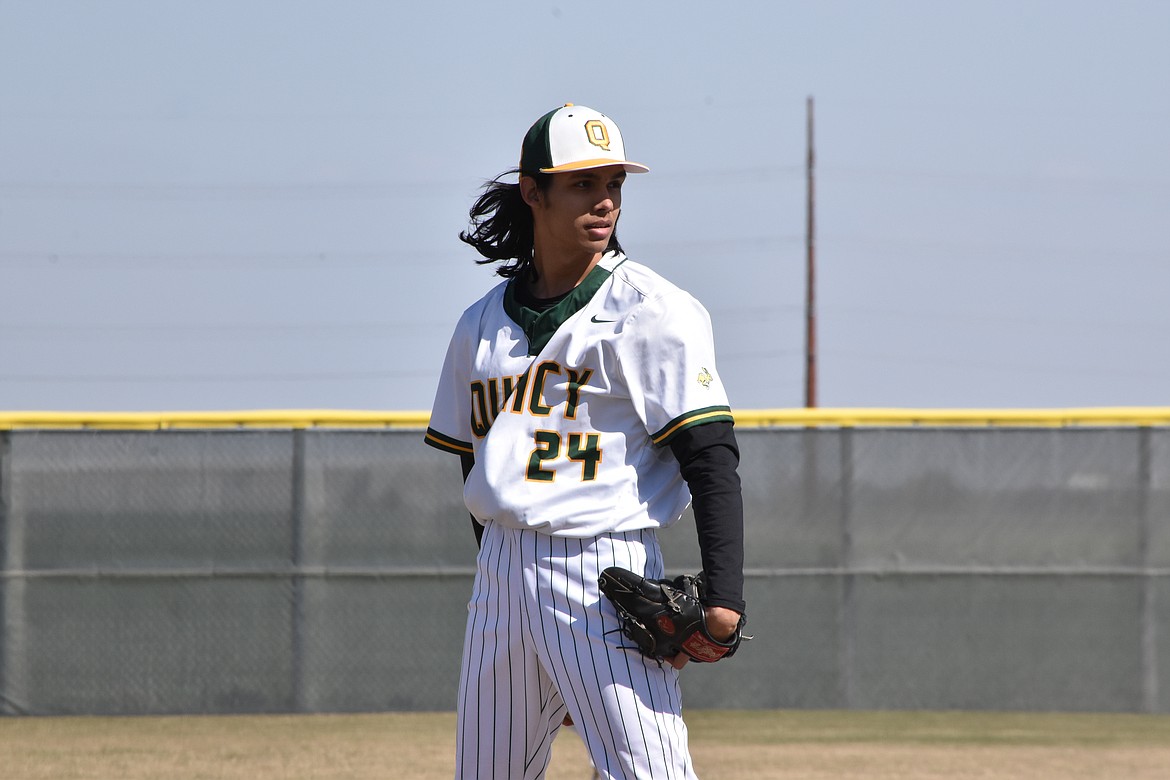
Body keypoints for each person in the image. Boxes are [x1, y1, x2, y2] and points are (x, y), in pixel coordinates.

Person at [424, 103, 746, 780]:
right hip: (501, 573)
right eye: (583, 184)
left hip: (603, 567)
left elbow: (711, 455)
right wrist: (515, 593)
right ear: (533, 191)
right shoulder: (479, 324)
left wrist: (725, 598)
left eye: (614, 185)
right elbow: (474, 466)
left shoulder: (653, 310)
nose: (605, 201)